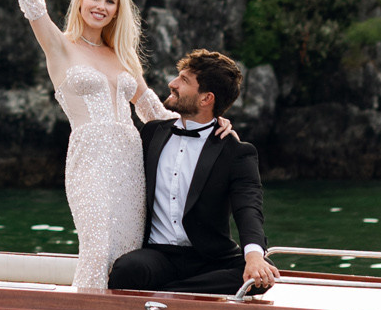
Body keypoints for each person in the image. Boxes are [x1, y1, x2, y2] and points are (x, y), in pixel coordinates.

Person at [0, 0, 229, 291]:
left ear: (117, 10)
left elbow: (156, 113)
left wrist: (211, 124)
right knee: (96, 245)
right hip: (89, 158)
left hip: (130, 162)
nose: (101, 6)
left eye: (110, 1)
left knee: (125, 253)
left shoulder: (123, 58)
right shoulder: (59, 45)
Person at [109, 50, 276, 297]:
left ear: (206, 98)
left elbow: (248, 209)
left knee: (261, 278)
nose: (172, 84)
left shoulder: (235, 152)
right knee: (127, 269)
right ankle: (184, 293)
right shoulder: (152, 133)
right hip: (159, 255)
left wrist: (254, 257)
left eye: (184, 81)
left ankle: (168, 294)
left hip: (212, 259)